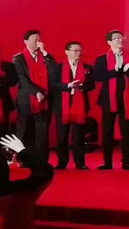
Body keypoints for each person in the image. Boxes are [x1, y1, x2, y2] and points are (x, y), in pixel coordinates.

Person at [95, 30, 129, 171]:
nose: (120, 40)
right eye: (116, 38)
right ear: (109, 42)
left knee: (126, 132)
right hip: (108, 99)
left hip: (126, 99)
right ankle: (107, 162)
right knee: (107, 132)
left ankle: (126, 162)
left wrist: (128, 70)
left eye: (121, 38)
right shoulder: (102, 59)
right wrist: (115, 71)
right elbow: (98, 77)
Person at [50, 41, 95, 170]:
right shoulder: (58, 68)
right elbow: (53, 84)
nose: (78, 53)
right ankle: (62, 162)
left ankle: (80, 162)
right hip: (62, 105)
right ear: (67, 52)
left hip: (80, 104)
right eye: (75, 51)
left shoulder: (87, 67)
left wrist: (82, 86)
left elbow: (92, 85)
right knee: (62, 136)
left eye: (80, 50)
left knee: (79, 136)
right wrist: (68, 86)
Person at [13, 30, 56, 162]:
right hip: (26, 100)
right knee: (25, 130)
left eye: (39, 40)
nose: (38, 42)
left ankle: (42, 161)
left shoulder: (45, 57)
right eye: (35, 40)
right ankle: (23, 160)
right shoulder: (18, 59)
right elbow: (22, 78)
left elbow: (54, 72)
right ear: (26, 42)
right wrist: (36, 92)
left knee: (42, 132)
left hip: (45, 99)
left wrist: (45, 53)